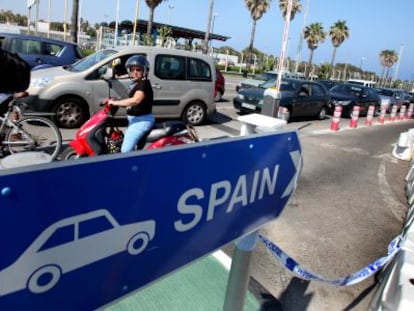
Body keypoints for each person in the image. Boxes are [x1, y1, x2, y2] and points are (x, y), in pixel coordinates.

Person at [108, 55, 155, 153]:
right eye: (132, 70)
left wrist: (116, 103)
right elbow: (130, 98)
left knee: (125, 150)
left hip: (141, 121)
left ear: (144, 71)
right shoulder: (136, 83)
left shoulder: (144, 84)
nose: (135, 72)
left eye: (138, 69)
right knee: (131, 145)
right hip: (135, 120)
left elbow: (135, 100)